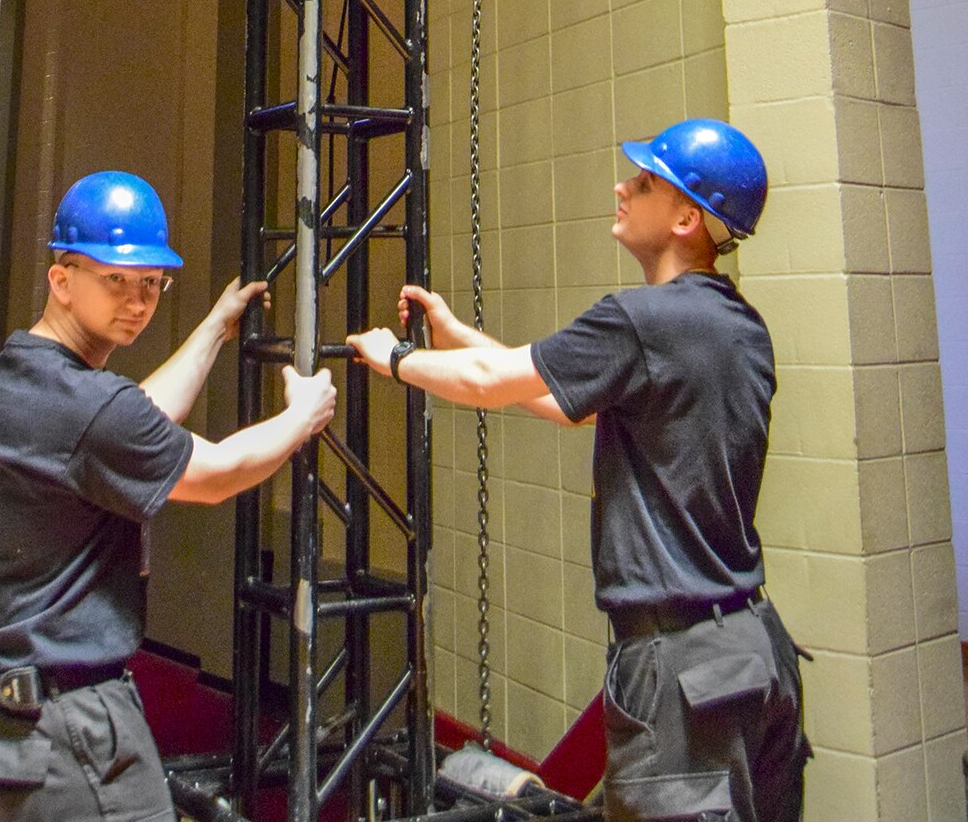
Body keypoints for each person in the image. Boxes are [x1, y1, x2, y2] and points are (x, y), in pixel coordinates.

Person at [346, 118, 811, 822]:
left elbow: (492, 382)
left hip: (679, 672)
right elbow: (566, 402)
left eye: (645, 182)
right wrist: (456, 333)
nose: (622, 187)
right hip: (753, 652)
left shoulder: (643, 320)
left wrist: (396, 358)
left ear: (687, 218)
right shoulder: (734, 326)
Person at [0, 169, 335, 822]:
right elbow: (215, 474)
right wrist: (303, 416)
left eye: (152, 284)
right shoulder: (89, 407)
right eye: (117, 280)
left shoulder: (17, 373)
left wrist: (214, 328)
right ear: (61, 279)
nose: (137, 301)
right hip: (67, 726)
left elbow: (132, 422)